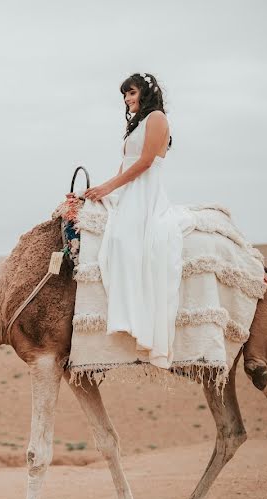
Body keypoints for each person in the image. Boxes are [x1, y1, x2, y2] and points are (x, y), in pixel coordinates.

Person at [82, 72, 188, 368]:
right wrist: (102, 189)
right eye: (124, 95)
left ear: (145, 92)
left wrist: (109, 187)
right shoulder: (138, 124)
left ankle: (139, 322)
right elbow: (124, 165)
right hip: (129, 191)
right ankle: (123, 314)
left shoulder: (157, 118)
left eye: (130, 93)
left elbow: (144, 163)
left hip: (146, 193)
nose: (127, 100)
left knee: (123, 239)